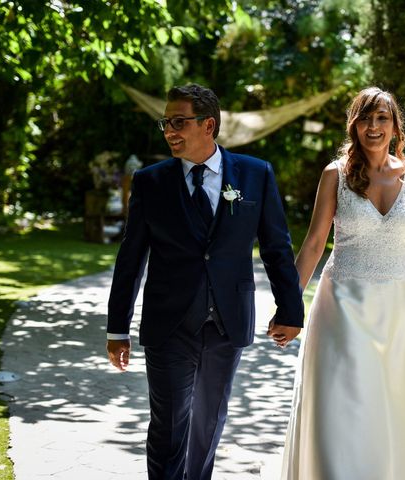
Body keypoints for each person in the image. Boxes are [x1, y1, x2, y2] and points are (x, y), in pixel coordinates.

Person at [106, 84, 304, 480]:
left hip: (226, 322)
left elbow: (277, 248)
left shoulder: (255, 174)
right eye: (166, 123)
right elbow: (131, 258)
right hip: (169, 324)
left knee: (208, 423)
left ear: (208, 124)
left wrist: (291, 310)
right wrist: (117, 328)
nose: (169, 131)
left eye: (179, 122)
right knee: (169, 426)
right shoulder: (150, 182)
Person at [279, 87, 405, 480]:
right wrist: (288, 306)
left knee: (394, 406)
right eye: (365, 118)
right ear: (354, 126)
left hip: (397, 310)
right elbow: (314, 244)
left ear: (395, 125)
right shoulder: (334, 175)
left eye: (382, 118)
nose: (373, 126)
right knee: (343, 405)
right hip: (342, 307)